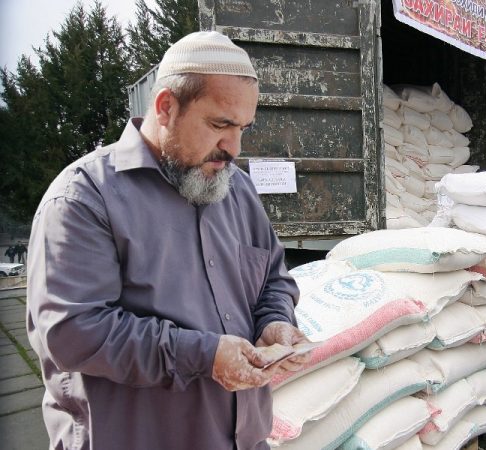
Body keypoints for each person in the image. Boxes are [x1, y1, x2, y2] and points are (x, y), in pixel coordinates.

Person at [26, 31, 311, 450]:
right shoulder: (85, 197)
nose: (233, 147)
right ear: (166, 107)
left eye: (243, 128)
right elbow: (72, 332)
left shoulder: (239, 190)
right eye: (220, 125)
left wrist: (274, 322)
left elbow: (273, 279)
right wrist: (204, 355)